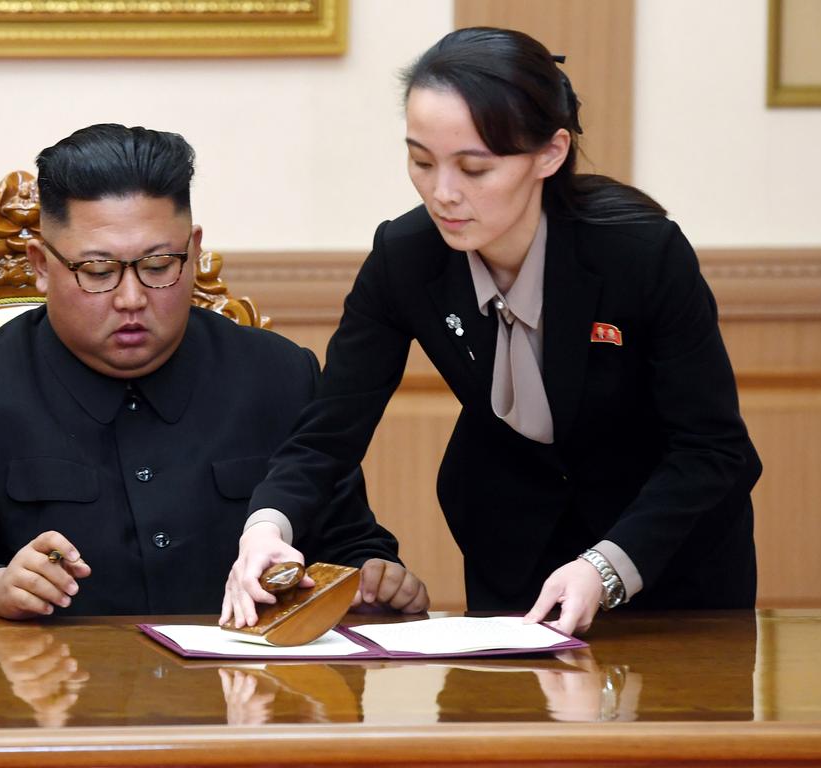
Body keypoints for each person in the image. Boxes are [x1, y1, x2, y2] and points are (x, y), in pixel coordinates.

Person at [222, 27, 761, 636]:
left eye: (474, 168)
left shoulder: (641, 256)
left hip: (668, 555)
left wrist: (606, 567)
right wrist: (266, 528)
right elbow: (328, 434)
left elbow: (710, 448)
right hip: (514, 545)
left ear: (551, 154)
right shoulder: (405, 257)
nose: (442, 193)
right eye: (421, 161)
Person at [0, 123, 428, 620]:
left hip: (241, 704)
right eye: (98, 271)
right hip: (47, 707)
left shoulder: (279, 375)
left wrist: (376, 575)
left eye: (159, 265)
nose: (132, 298)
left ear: (194, 252)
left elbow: (349, 543)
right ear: (41, 267)